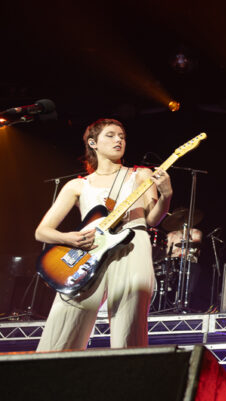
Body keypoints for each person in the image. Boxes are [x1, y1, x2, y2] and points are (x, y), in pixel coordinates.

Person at [35, 118, 172, 351]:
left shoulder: (140, 175)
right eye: (111, 135)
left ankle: (129, 371)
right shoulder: (78, 185)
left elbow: (152, 219)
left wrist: (166, 195)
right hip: (89, 252)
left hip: (132, 245)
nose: (119, 140)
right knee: (63, 323)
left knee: (129, 323)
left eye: (122, 136)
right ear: (93, 143)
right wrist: (69, 238)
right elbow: (42, 231)